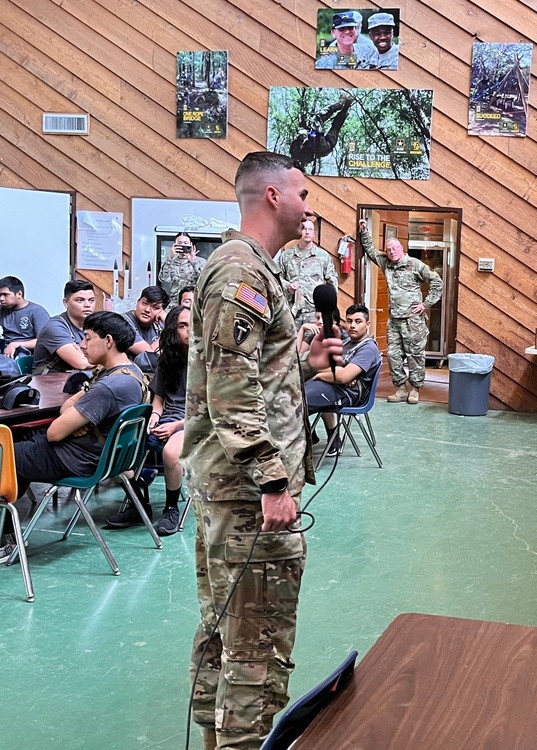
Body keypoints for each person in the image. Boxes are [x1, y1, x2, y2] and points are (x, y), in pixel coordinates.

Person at [181, 151, 342, 750]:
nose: (308, 205)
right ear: (272, 195)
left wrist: (303, 363)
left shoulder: (249, 267)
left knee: (227, 626)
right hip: (247, 493)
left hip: (232, 484)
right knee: (254, 639)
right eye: (301, 193)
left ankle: (215, 737)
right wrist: (273, 480)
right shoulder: (241, 272)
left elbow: (249, 374)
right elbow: (230, 390)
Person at [1, 312, 146, 562]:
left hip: (73, 458)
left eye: (88, 338)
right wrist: (82, 418)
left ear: (108, 340)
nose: (81, 344)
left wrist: (79, 418)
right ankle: (6, 531)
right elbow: (64, 409)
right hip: (93, 456)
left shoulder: (108, 386)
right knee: (16, 456)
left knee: (6, 456)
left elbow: (55, 432)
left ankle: (5, 538)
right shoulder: (130, 373)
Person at [106, 305, 191, 535]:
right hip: (167, 419)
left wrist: (176, 425)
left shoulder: (210, 363)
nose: (189, 330)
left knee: (171, 453)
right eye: (182, 325)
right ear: (173, 330)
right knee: (118, 444)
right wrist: (154, 417)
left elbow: (210, 410)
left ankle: (171, 507)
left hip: (195, 422)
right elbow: (159, 399)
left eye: (193, 324)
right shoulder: (167, 360)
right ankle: (138, 502)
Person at [358, 218, 443, 404]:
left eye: (394, 249)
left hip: (413, 321)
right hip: (394, 320)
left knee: (415, 356)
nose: (391, 252)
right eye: (388, 250)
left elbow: (437, 281)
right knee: (394, 355)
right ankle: (401, 388)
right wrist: (364, 232)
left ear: (401, 249)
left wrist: (426, 304)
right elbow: (371, 251)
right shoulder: (386, 262)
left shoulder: (415, 265)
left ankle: (415, 389)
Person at [305, 303, 381, 454]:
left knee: (295, 402)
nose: (352, 325)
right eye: (349, 321)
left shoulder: (368, 349)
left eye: (358, 321)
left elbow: (344, 376)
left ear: (368, 324)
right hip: (334, 386)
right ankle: (307, 438)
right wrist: (335, 373)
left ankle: (297, 447)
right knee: (292, 395)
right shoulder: (346, 342)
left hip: (347, 394)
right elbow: (327, 367)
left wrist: (322, 375)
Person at [278, 217, 337, 329]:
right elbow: (276, 278)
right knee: (291, 344)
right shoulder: (286, 255)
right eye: (304, 228)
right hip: (291, 311)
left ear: (314, 233)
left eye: (310, 229)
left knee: (313, 344)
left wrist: (327, 309)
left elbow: (332, 283)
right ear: (299, 231)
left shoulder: (323, 256)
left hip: (314, 312)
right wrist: (288, 287)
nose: (307, 232)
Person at [32, 280, 96, 374]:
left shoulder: (93, 325)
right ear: (66, 303)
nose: (87, 305)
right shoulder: (55, 327)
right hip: (48, 382)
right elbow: (81, 363)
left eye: (91, 300)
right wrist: (105, 360)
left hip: (78, 379)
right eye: (80, 300)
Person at [0, 275, 50, 357]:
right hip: (6, 351)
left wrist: (15, 344)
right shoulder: (2, 310)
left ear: (19, 294)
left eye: (5, 294)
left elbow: (44, 341)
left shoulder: (37, 311)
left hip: (27, 354)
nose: (1, 299)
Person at [159, 232, 206, 305]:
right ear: (174, 245)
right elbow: (164, 279)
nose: (183, 245)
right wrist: (170, 258)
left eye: (185, 243)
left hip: (193, 302)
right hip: (175, 302)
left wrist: (193, 262)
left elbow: (204, 280)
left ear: (191, 244)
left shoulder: (201, 261)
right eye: (179, 243)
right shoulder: (170, 261)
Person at [124, 285, 169, 356]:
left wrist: (167, 320)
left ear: (162, 311)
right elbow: (149, 355)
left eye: (155, 307)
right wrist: (169, 329)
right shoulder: (123, 322)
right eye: (144, 303)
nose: (147, 310)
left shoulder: (159, 322)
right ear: (138, 301)